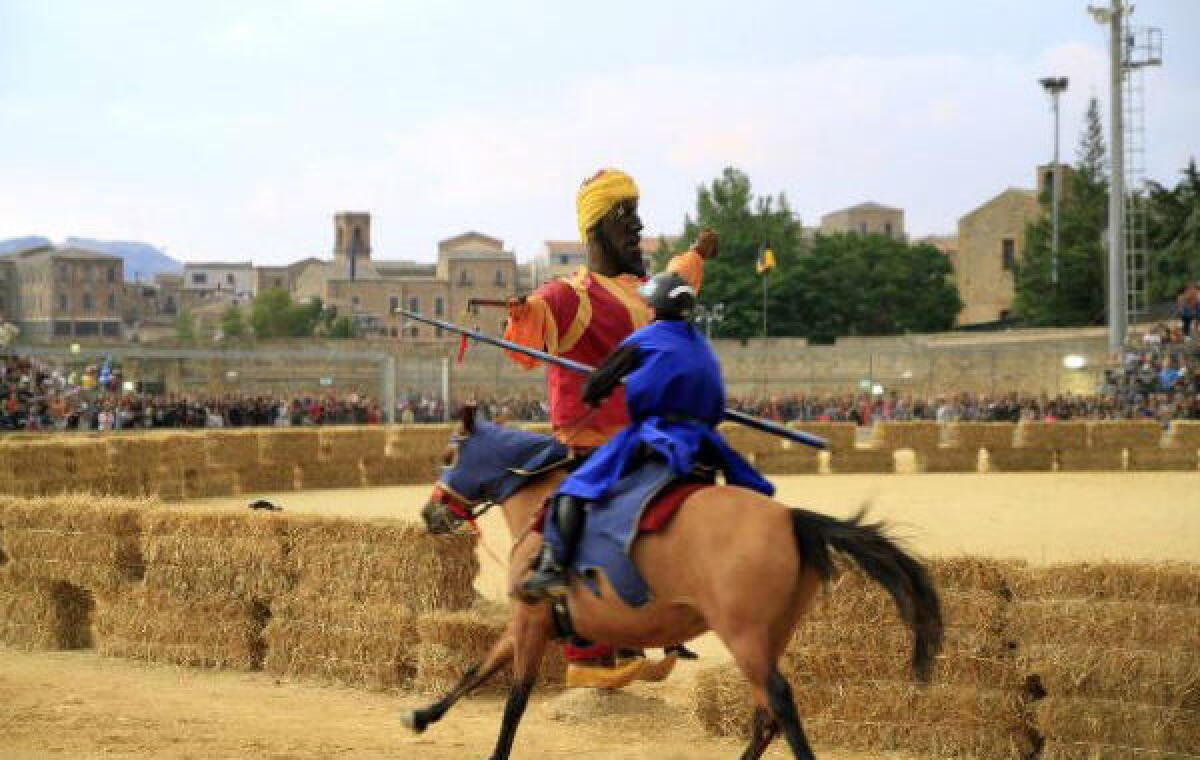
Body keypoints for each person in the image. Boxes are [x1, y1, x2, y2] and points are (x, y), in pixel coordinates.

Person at [520, 272, 774, 600]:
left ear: (653, 309)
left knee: (573, 489)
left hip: (658, 435)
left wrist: (598, 389)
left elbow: (595, 385)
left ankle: (552, 570)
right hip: (705, 442)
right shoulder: (702, 346)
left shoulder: (644, 339)